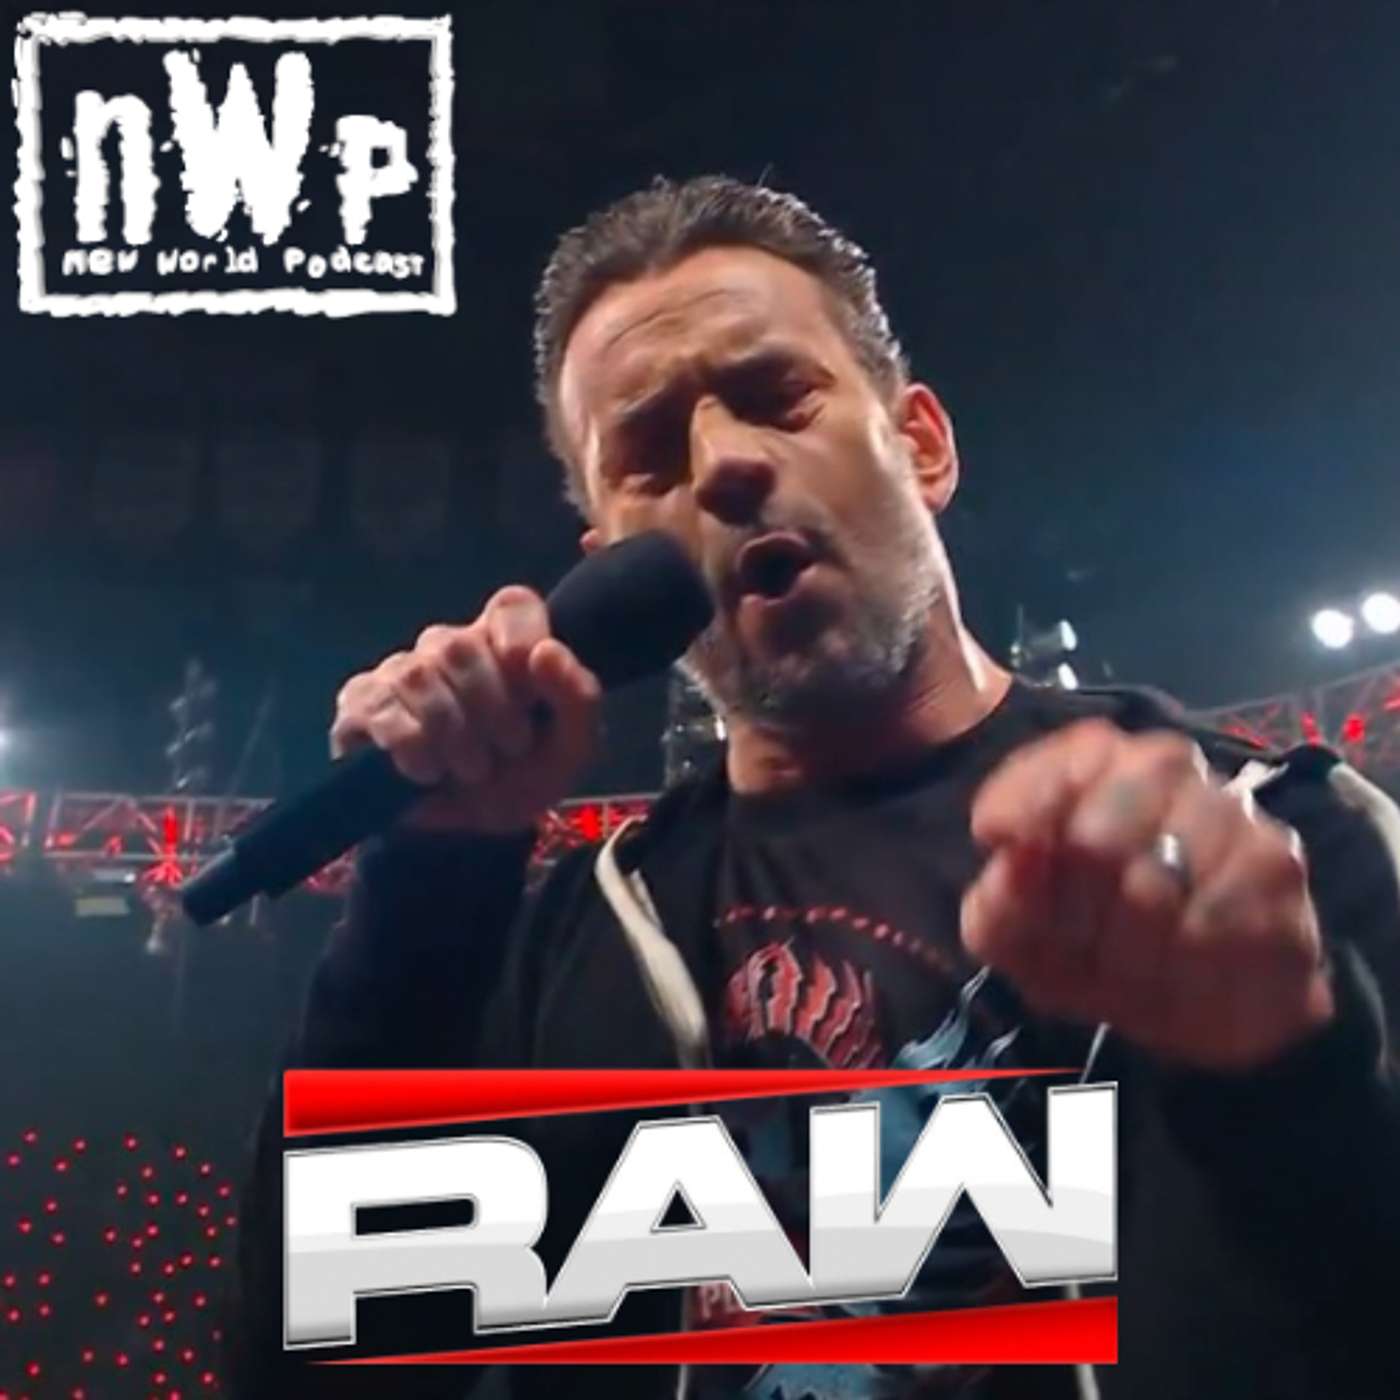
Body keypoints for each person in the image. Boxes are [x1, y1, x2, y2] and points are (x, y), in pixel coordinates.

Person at [231, 177, 1400, 1400]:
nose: (724, 465)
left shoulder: (1281, 839)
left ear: (919, 442)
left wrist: (1285, 1079)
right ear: (610, 563)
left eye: (776, 396)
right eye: (647, 455)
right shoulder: (569, 945)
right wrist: (424, 889)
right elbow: (308, 1381)